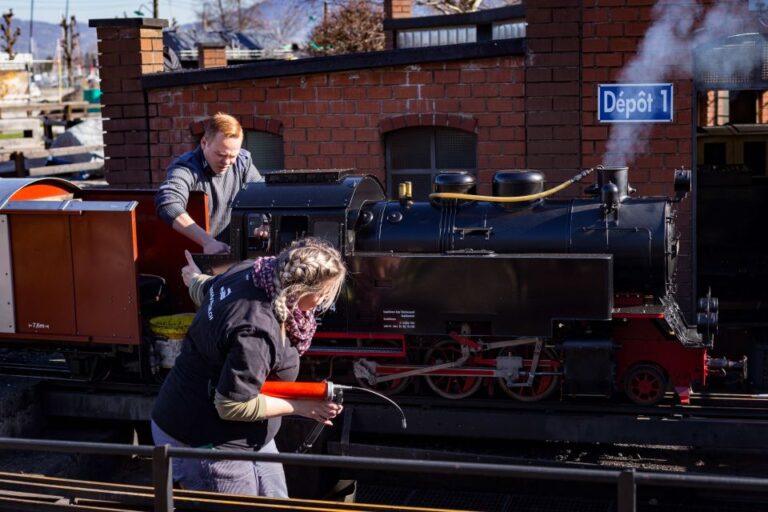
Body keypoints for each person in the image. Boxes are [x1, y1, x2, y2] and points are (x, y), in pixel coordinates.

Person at [151, 237, 347, 497]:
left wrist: (194, 278)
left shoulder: (253, 270)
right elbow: (231, 405)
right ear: (301, 292)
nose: (323, 304)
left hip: (249, 434)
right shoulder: (258, 331)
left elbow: (210, 289)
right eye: (323, 296)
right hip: (208, 439)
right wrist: (301, 408)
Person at [155, 112, 262, 254]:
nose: (227, 162)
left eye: (232, 156)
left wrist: (264, 223)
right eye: (221, 155)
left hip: (234, 256)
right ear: (204, 143)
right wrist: (208, 242)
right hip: (197, 257)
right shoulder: (186, 167)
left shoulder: (243, 162)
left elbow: (263, 195)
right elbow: (168, 204)